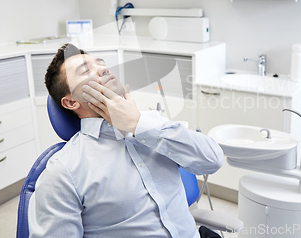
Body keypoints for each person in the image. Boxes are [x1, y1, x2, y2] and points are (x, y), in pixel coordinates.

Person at [28, 43, 225, 238]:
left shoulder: (154, 124)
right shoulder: (63, 171)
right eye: (86, 70)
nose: (102, 68)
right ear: (71, 101)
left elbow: (213, 160)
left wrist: (138, 123)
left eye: (101, 63)